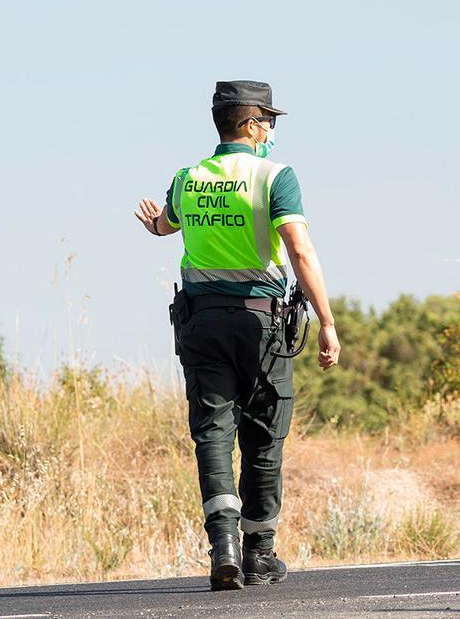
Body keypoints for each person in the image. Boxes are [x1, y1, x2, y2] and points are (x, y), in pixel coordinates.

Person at [134, 80, 340, 591]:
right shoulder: (275, 176)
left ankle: (221, 547)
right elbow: (299, 250)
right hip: (260, 324)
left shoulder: (189, 178)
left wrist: (155, 227)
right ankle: (259, 553)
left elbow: (166, 225)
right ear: (250, 124)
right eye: (268, 120)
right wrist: (328, 322)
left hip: (202, 323)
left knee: (212, 432)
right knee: (265, 433)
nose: (271, 130)